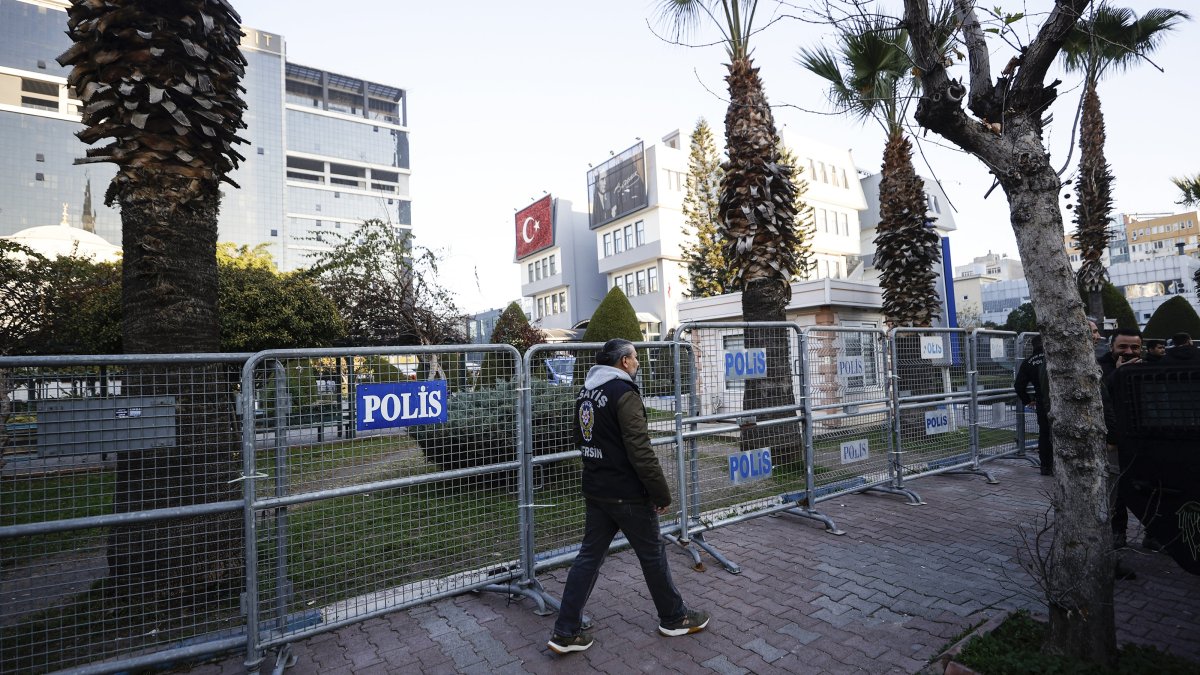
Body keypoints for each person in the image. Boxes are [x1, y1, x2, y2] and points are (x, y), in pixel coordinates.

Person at [547, 339, 709, 654]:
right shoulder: (624, 393)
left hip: (597, 489)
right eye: (635, 357)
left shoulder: (586, 393)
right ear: (623, 362)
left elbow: (583, 438)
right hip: (627, 492)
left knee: (588, 558)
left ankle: (565, 631)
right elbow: (641, 449)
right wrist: (660, 492)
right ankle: (673, 617)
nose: (638, 362)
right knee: (652, 555)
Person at [1014, 334, 1053, 475]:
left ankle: (1046, 467)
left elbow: (1018, 385)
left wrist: (1027, 400)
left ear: (1033, 346)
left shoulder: (1028, 362)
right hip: (1058, 400)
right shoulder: (1054, 358)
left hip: (1042, 402)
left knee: (1044, 434)